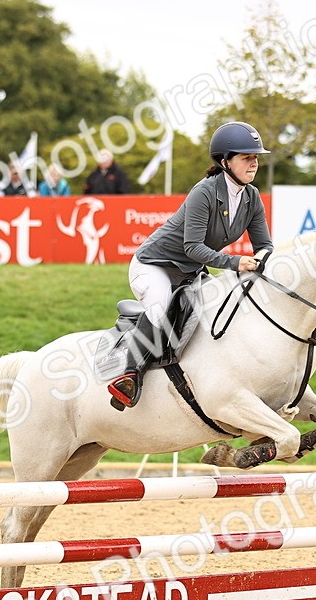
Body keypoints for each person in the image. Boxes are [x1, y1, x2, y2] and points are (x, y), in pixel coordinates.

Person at [105, 121, 273, 408]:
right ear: (225, 161)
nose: (253, 163)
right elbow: (192, 247)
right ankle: (128, 375)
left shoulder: (251, 197)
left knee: (221, 310)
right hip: (155, 265)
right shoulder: (204, 192)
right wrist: (235, 262)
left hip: (190, 271)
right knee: (159, 308)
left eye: (255, 157)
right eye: (247, 157)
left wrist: (262, 260)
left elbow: (265, 245)